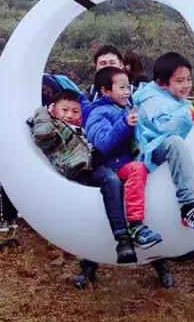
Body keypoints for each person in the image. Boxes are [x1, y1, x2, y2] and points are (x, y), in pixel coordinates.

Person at [29, 88, 137, 264]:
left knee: (112, 180)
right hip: (75, 169)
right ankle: (89, 263)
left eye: (75, 111)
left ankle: (124, 239)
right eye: (65, 110)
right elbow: (42, 136)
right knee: (91, 209)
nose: (70, 115)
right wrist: (43, 112)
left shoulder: (82, 128)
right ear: (53, 109)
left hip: (94, 166)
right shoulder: (52, 126)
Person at [134, 52, 194, 231]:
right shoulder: (151, 98)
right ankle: (188, 207)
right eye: (180, 81)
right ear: (161, 83)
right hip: (153, 148)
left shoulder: (176, 97)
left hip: (173, 148)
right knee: (175, 142)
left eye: (189, 79)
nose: (187, 85)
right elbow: (166, 127)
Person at [85, 67, 162, 249]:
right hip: (116, 166)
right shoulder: (98, 113)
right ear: (105, 91)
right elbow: (104, 144)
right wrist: (124, 124)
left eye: (128, 87)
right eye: (122, 88)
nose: (127, 91)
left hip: (132, 160)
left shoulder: (127, 106)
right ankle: (136, 225)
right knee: (137, 168)